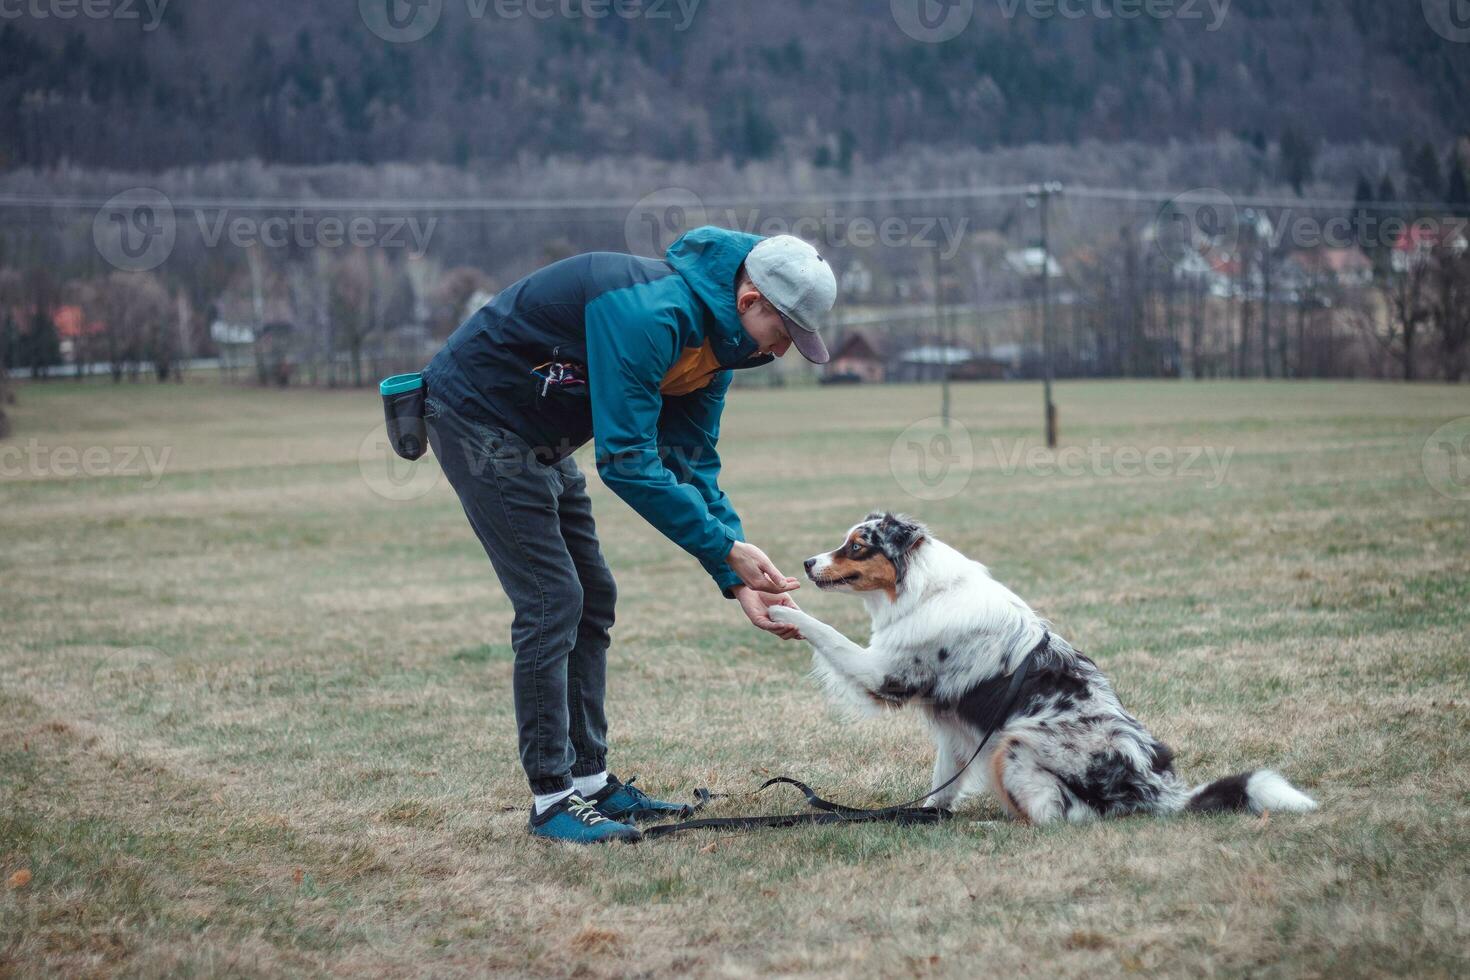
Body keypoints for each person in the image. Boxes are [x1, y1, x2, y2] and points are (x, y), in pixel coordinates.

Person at [420, 227, 838, 843]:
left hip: (542, 433)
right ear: (750, 302)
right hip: (479, 417)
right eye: (783, 334)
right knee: (551, 598)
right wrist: (723, 548)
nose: (780, 353)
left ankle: (591, 783)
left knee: (594, 595)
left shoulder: (720, 350)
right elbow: (626, 461)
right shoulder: (652, 314)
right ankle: (551, 799)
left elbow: (690, 460)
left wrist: (733, 574)